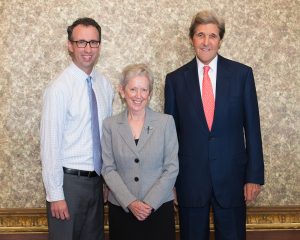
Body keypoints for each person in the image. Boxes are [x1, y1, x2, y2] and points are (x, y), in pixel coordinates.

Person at [164, 10, 264, 240]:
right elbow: (170, 137)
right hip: (189, 182)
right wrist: (170, 182)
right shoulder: (175, 80)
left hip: (233, 181)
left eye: (212, 36)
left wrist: (254, 176)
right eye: (200, 35)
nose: (206, 42)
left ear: (220, 40)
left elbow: (252, 128)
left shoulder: (242, 75)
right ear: (192, 39)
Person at [40, 17, 113, 240]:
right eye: (81, 42)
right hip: (68, 185)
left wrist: (106, 181)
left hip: (96, 184)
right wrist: (56, 195)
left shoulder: (104, 85)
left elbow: (106, 138)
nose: (88, 49)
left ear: (99, 45)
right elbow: (50, 144)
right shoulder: (59, 88)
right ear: (70, 45)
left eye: (93, 42)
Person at [101, 63, 179, 240]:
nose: (138, 95)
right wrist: (130, 202)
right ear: (122, 91)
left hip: (158, 209)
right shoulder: (110, 125)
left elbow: (172, 168)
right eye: (133, 89)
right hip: (122, 210)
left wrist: (149, 203)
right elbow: (108, 168)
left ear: (149, 93)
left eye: (144, 90)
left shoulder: (166, 122)